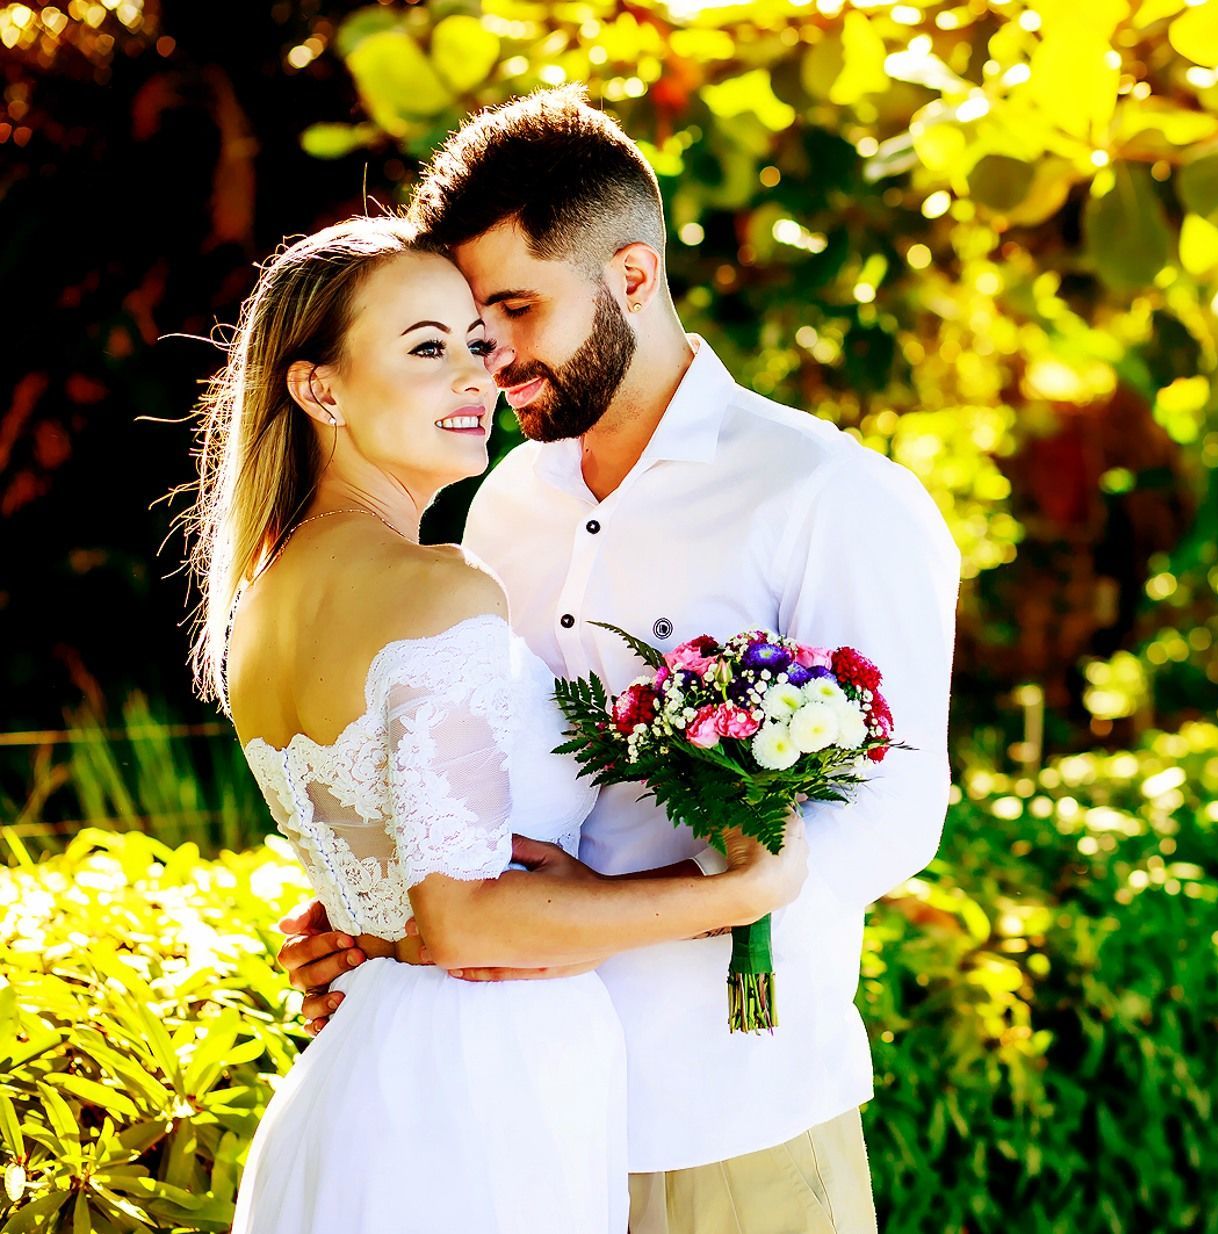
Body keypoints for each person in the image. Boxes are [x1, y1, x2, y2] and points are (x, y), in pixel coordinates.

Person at [275, 86, 963, 1234]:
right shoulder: (497, 505)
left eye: (513, 310)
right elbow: (483, 777)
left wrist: (635, 907)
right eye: (467, 326)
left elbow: (895, 814)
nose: (489, 361)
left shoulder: (830, 497)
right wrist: (385, 901)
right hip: (513, 1122)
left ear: (632, 277)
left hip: (721, 1116)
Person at [180, 214, 808, 1234]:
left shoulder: (263, 602)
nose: (476, 377)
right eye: (427, 349)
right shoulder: (438, 588)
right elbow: (461, 921)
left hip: (372, 1061)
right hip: (475, 1093)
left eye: (478, 345)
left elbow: (394, 890)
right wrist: (741, 889)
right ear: (320, 388)